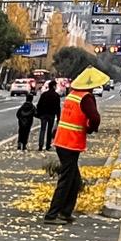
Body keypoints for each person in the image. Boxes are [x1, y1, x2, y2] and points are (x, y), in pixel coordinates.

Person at [44, 69, 104, 223]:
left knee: (74, 179)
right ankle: (52, 214)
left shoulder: (72, 95)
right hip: (71, 142)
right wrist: (90, 128)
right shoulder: (86, 97)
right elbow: (95, 118)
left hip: (62, 141)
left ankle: (65, 212)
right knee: (66, 180)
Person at [35, 77, 61, 151]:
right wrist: (58, 117)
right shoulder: (56, 95)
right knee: (49, 130)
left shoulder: (44, 94)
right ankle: (47, 145)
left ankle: (40, 145)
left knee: (42, 129)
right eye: (55, 86)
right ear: (53, 86)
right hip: (51, 115)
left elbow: (39, 105)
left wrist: (39, 113)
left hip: (43, 114)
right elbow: (58, 107)